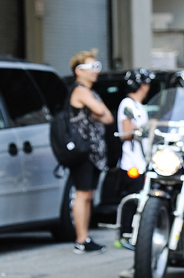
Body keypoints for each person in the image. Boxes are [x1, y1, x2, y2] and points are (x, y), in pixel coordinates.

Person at [68, 50, 114, 254]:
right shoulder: (80, 90)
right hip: (83, 151)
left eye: (98, 67)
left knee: (89, 195)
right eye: (92, 67)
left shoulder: (91, 92)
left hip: (95, 151)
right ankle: (81, 239)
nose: (96, 72)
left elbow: (108, 117)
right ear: (79, 71)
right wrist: (97, 111)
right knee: (82, 193)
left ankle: (85, 236)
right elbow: (100, 112)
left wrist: (98, 111)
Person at [116, 69, 152, 278]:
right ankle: (129, 240)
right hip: (133, 163)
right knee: (136, 207)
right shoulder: (127, 104)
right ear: (143, 85)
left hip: (143, 162)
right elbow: (126, 132)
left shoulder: (137, 106)